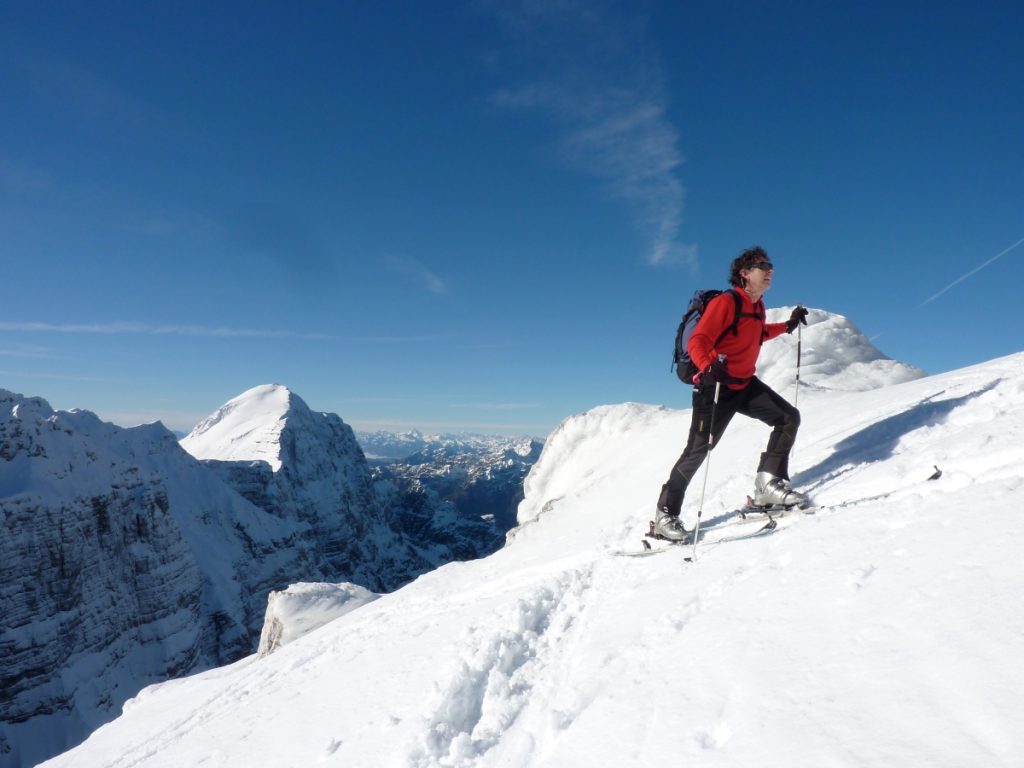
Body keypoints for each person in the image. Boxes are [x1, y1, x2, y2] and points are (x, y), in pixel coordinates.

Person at [655, 246, 809, 542]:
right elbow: (698, 340)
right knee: (698, 450)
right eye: (763, 266)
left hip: (744, 384)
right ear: (744, 273)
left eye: (771, 266)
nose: (770, 271)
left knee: (788, 417)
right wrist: (708, 366)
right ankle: (665, 514)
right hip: (715, 387)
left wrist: (786, 326)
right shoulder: (727, 302)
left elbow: (758, 333)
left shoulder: (757, 305)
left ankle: (768, 485)